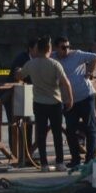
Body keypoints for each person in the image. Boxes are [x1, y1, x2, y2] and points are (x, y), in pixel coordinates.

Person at [15, 37, 74, 171]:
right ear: (49, 49)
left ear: (37, 49)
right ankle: (60, 162)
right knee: (57, 133)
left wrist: (18, 70)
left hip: (39, 103)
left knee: (41, 134)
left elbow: (19, 76)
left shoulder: (31, 64)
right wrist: (70, 98)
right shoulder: (54, 64)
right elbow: (66, 82)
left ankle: (44, 164)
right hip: (55, 102)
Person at [54, 36, 96, 168]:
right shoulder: (52, 57)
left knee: (90, 128)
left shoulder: (77, 54)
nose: (66, 49)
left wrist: (90, 71)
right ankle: (75, 159)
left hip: (86, 96)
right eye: (63, 47)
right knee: (70, 130)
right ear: (57, 48)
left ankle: (90, 159)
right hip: (69, 100)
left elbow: (95, 57)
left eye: (68, 46)